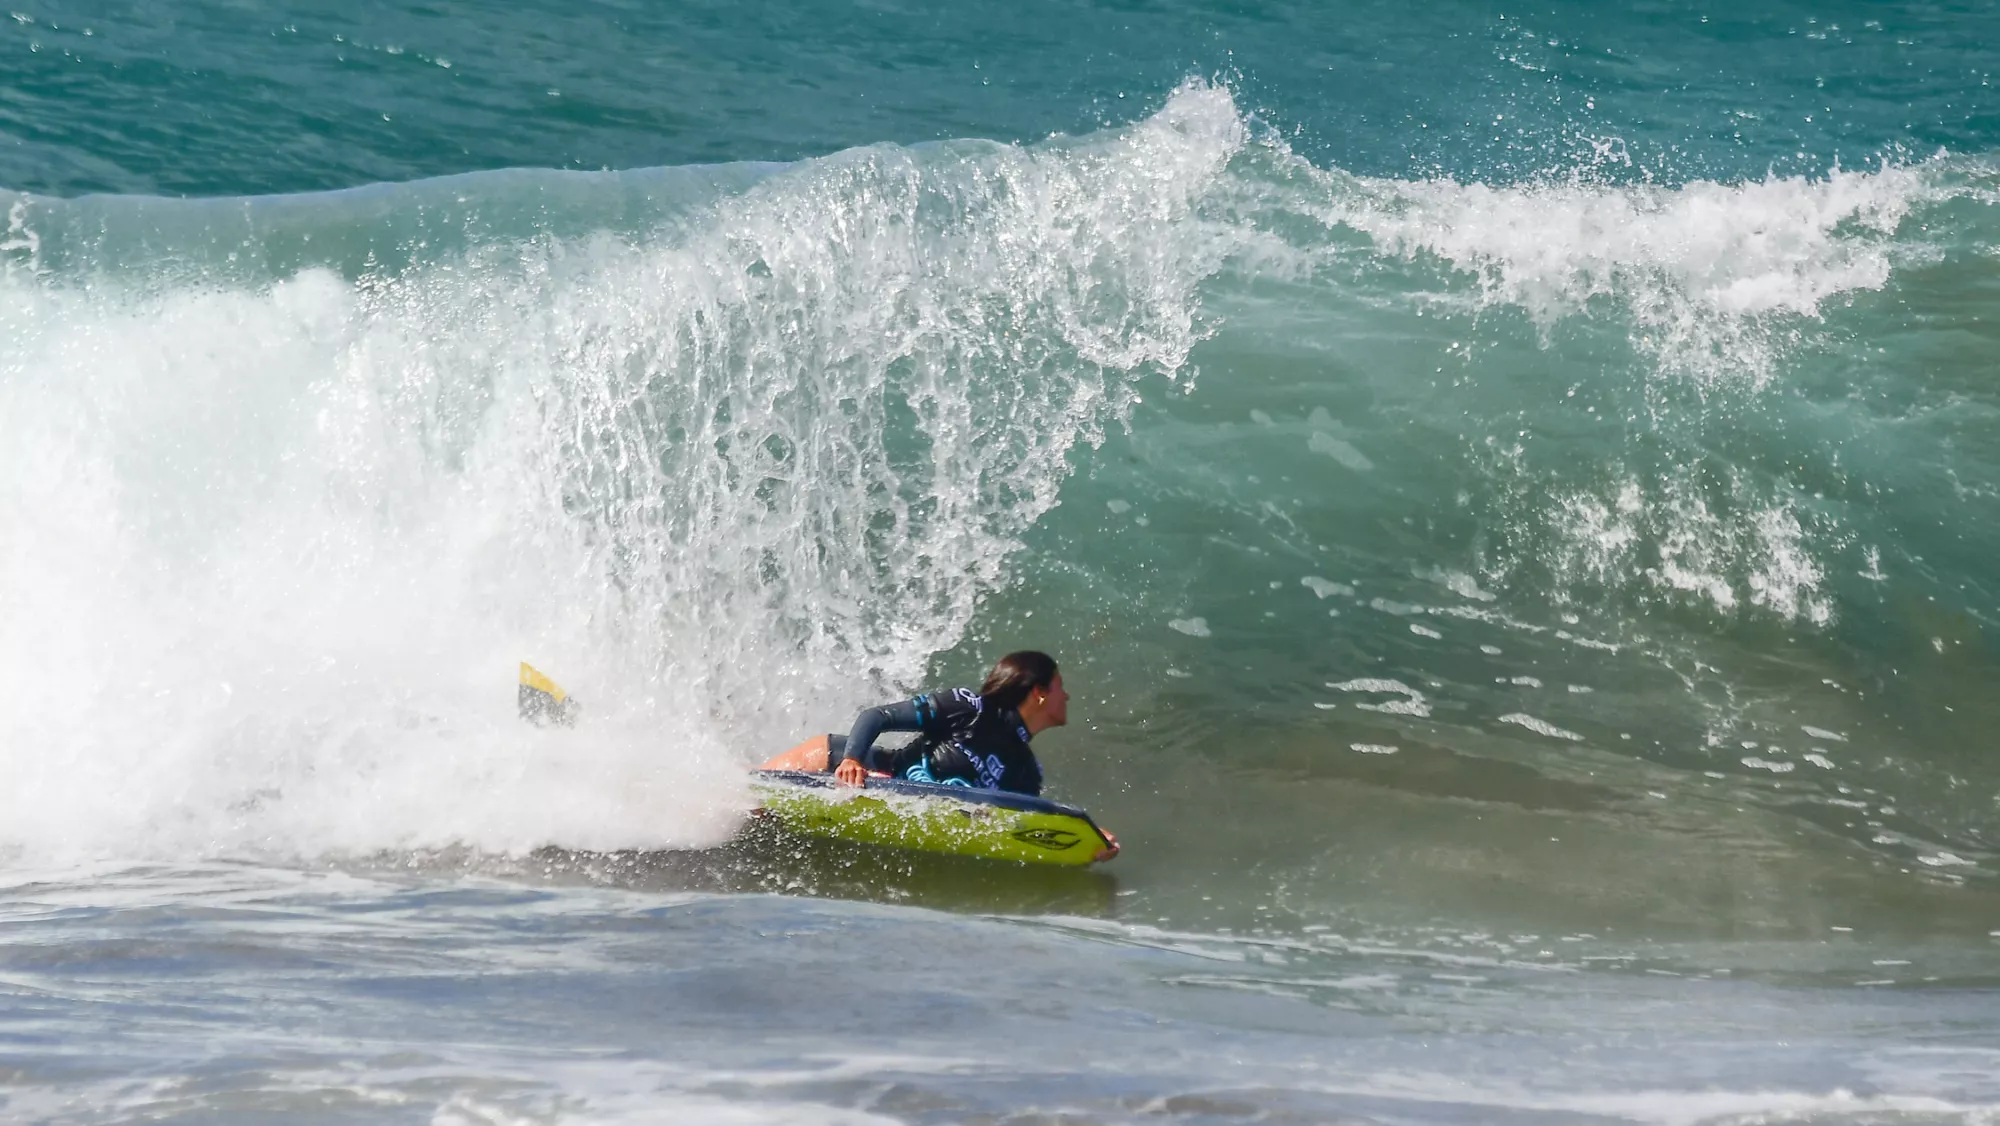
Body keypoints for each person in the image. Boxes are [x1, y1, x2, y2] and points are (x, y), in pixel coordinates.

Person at [760, 650, 1068, 796]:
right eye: (1059, 687)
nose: (1066, 697)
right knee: (753, 805)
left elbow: (1026, 828)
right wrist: (852, 759)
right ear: (1038, 693)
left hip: (881, 800)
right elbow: (876, 717)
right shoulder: (969, 707)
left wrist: (1088, 840)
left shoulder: (1026, 772)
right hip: (833, 764)